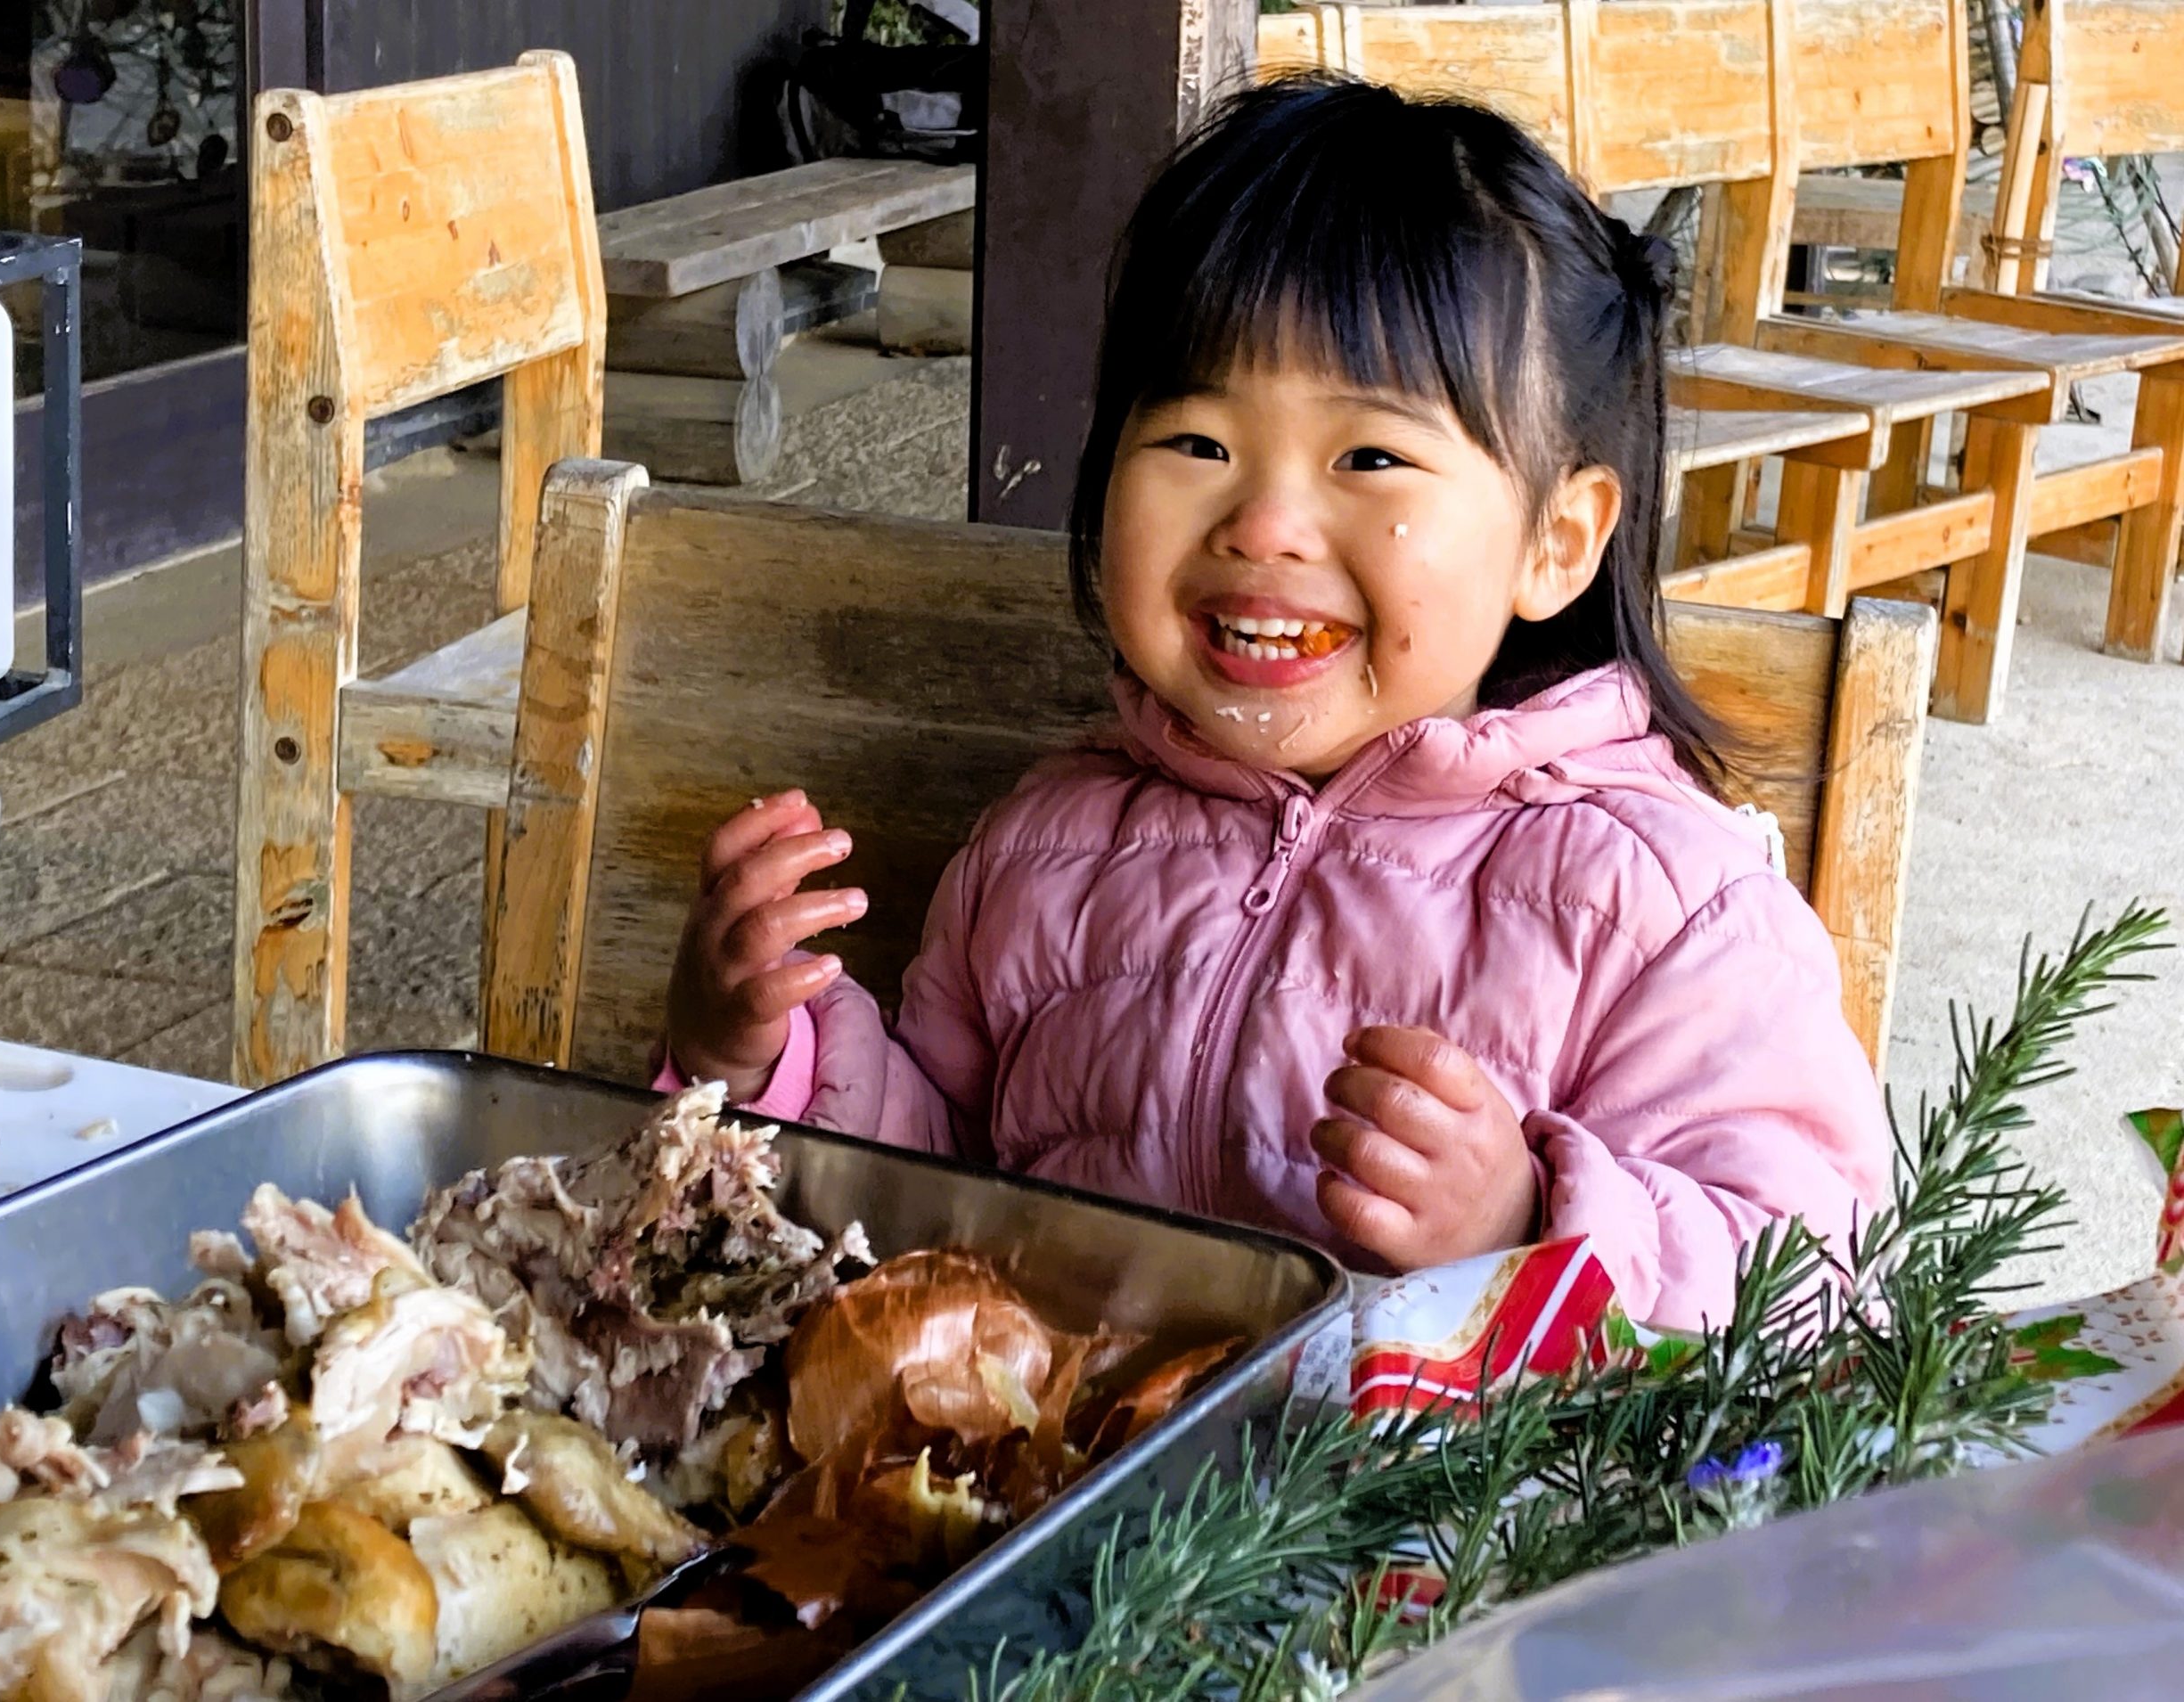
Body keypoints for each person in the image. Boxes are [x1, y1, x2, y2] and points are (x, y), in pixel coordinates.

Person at [657, 76, 1888, 1330]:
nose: (1263, 525)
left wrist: (1527, 1229)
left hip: (1423, 1521)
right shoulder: (1044, 848)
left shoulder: (1661, 909)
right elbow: (940, 1182)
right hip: (1060, 1497)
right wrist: (761, 1056)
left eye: (1369, 457)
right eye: (1199, 443)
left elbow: (1814, 1282)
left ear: (1555, 542)